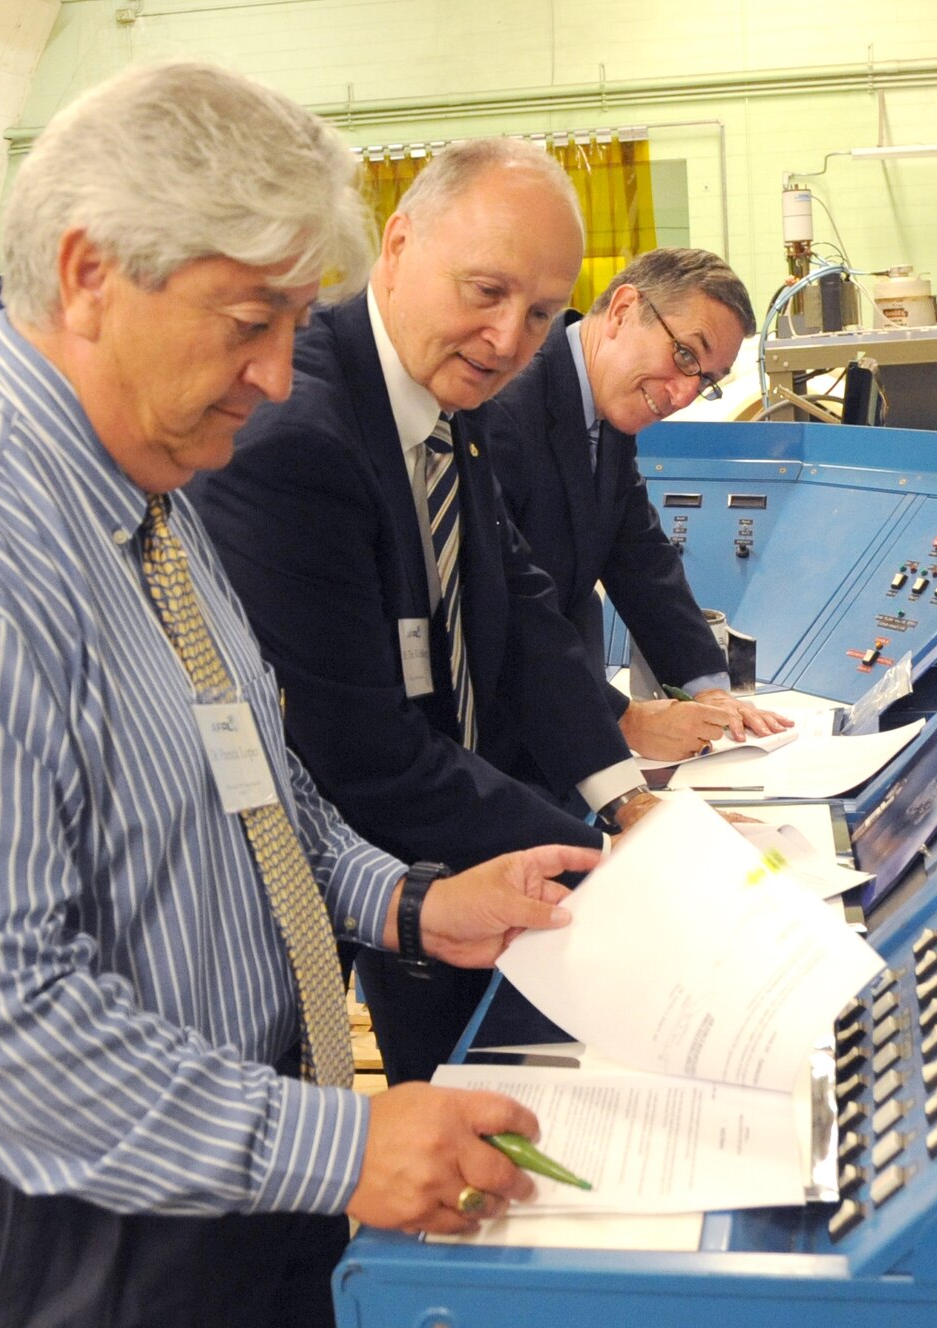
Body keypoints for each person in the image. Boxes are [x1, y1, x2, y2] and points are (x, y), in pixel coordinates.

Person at [0, 63, 598, 1328]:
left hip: (212, 1154)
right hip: (50, 1218)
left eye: (293, 324)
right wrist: (343, 1149)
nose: (272, 372)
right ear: (89, 274)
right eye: (247, 321)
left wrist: (410, 901)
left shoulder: (142, 482)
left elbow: (255, 783)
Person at [189, 140, 701, 1086]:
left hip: (435, 839)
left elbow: (524, 605)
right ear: (397, 244)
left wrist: (624, 799)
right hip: (326, 879)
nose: (510, 339)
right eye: (486, 291)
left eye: (542, 312)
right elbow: (361, 753)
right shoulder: (300, 439)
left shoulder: (441, 388)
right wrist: (602, 858)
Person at [481, 247, 791, 759]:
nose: (686, 394)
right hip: (503, 738)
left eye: (707, 380)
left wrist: (709, 688)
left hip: (560, 720)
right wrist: (621, 720)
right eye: (687, 355)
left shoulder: (605, 406)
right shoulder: (506, 407)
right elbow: (501, 613)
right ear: (624, 311)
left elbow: (639, 555)